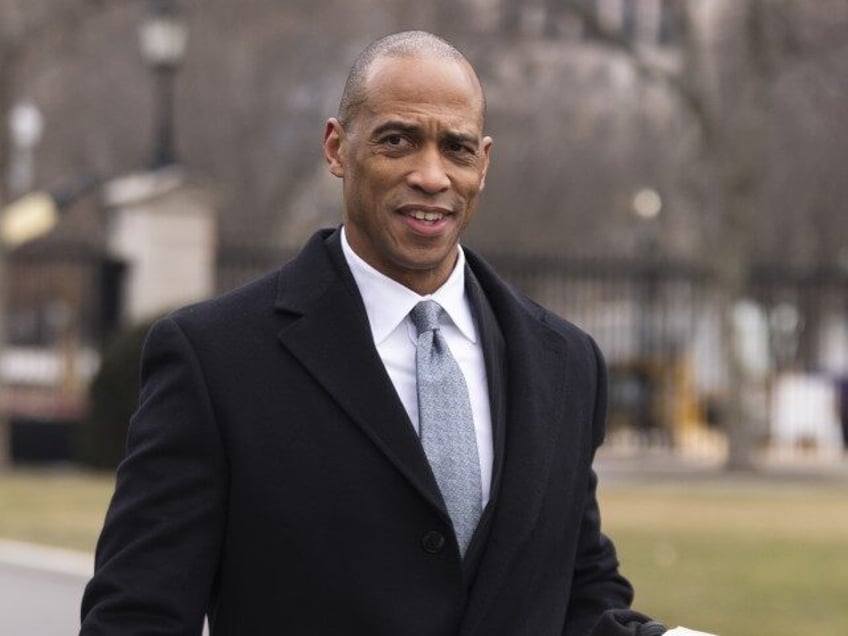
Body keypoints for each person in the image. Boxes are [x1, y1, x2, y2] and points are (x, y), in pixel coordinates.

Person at [81, 30, 660, 635]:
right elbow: (134, 618)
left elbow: (580, 593)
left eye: (456, 148)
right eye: (398, 140)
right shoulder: (213, 360)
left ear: (483, 163)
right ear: (337, 148)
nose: (431, 175)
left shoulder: (565, 363)